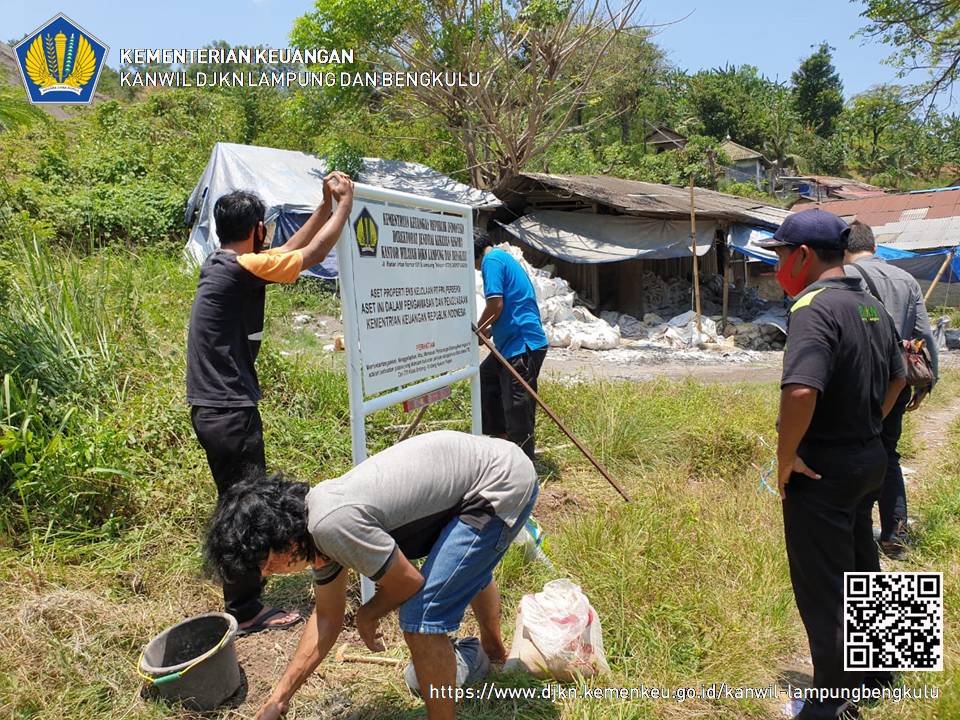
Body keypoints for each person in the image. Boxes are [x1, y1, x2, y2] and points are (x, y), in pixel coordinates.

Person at [203, 431, 539, 720]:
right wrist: (279, 699)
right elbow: (327, 618)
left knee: (421, 618)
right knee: (462, 566)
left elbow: (408, 583)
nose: (272, 574)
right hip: (482, 474)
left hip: (499, 483)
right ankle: (494, 653)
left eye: (268, 566)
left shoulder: (329, 525)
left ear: (281, 541)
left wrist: (368, 614)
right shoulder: (315, 531)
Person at [187, 173, 354, 634]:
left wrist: (322, 207)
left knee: (237, 500)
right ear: (258, 229)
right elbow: (312, 254)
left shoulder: (227, 263)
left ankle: (243, 593)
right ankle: (244, 610)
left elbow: (286, 254)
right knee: (244, 508)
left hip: (213, 408)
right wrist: (345, 205)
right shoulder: (241, 269)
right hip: (228, 411)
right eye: (266, 230)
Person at [757, 209, 906, 720]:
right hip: (870, 457)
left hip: (822, 468)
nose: (777, 267)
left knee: (825, 589)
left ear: (801, 256)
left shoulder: (812, 307)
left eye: (779, 255)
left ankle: (828, 708)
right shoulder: (871, 304)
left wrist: (785, 456)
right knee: (866, 565)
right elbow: (901, 377)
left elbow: (800, 389)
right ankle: (884, 675)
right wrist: (867, 422)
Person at [844, 220, 939, 560]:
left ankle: (856, 538)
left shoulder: (846, 278)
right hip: (897, 381)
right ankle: (894, 536)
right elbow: (924, 335)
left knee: (853, 452)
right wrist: (929, 380)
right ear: (874, 246)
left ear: (845, 248)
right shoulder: (907, 279)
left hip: (859, 381)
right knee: (888, 453)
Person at [475, 233, 549, 460]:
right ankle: (501, 441)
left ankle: (523, 463)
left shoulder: (491, 260)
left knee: (517, 406)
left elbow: (496, 304)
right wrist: (487, 329)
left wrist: (480, 329)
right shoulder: (502, 258)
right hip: (509, 345)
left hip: (522, 345)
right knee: (486, 380)